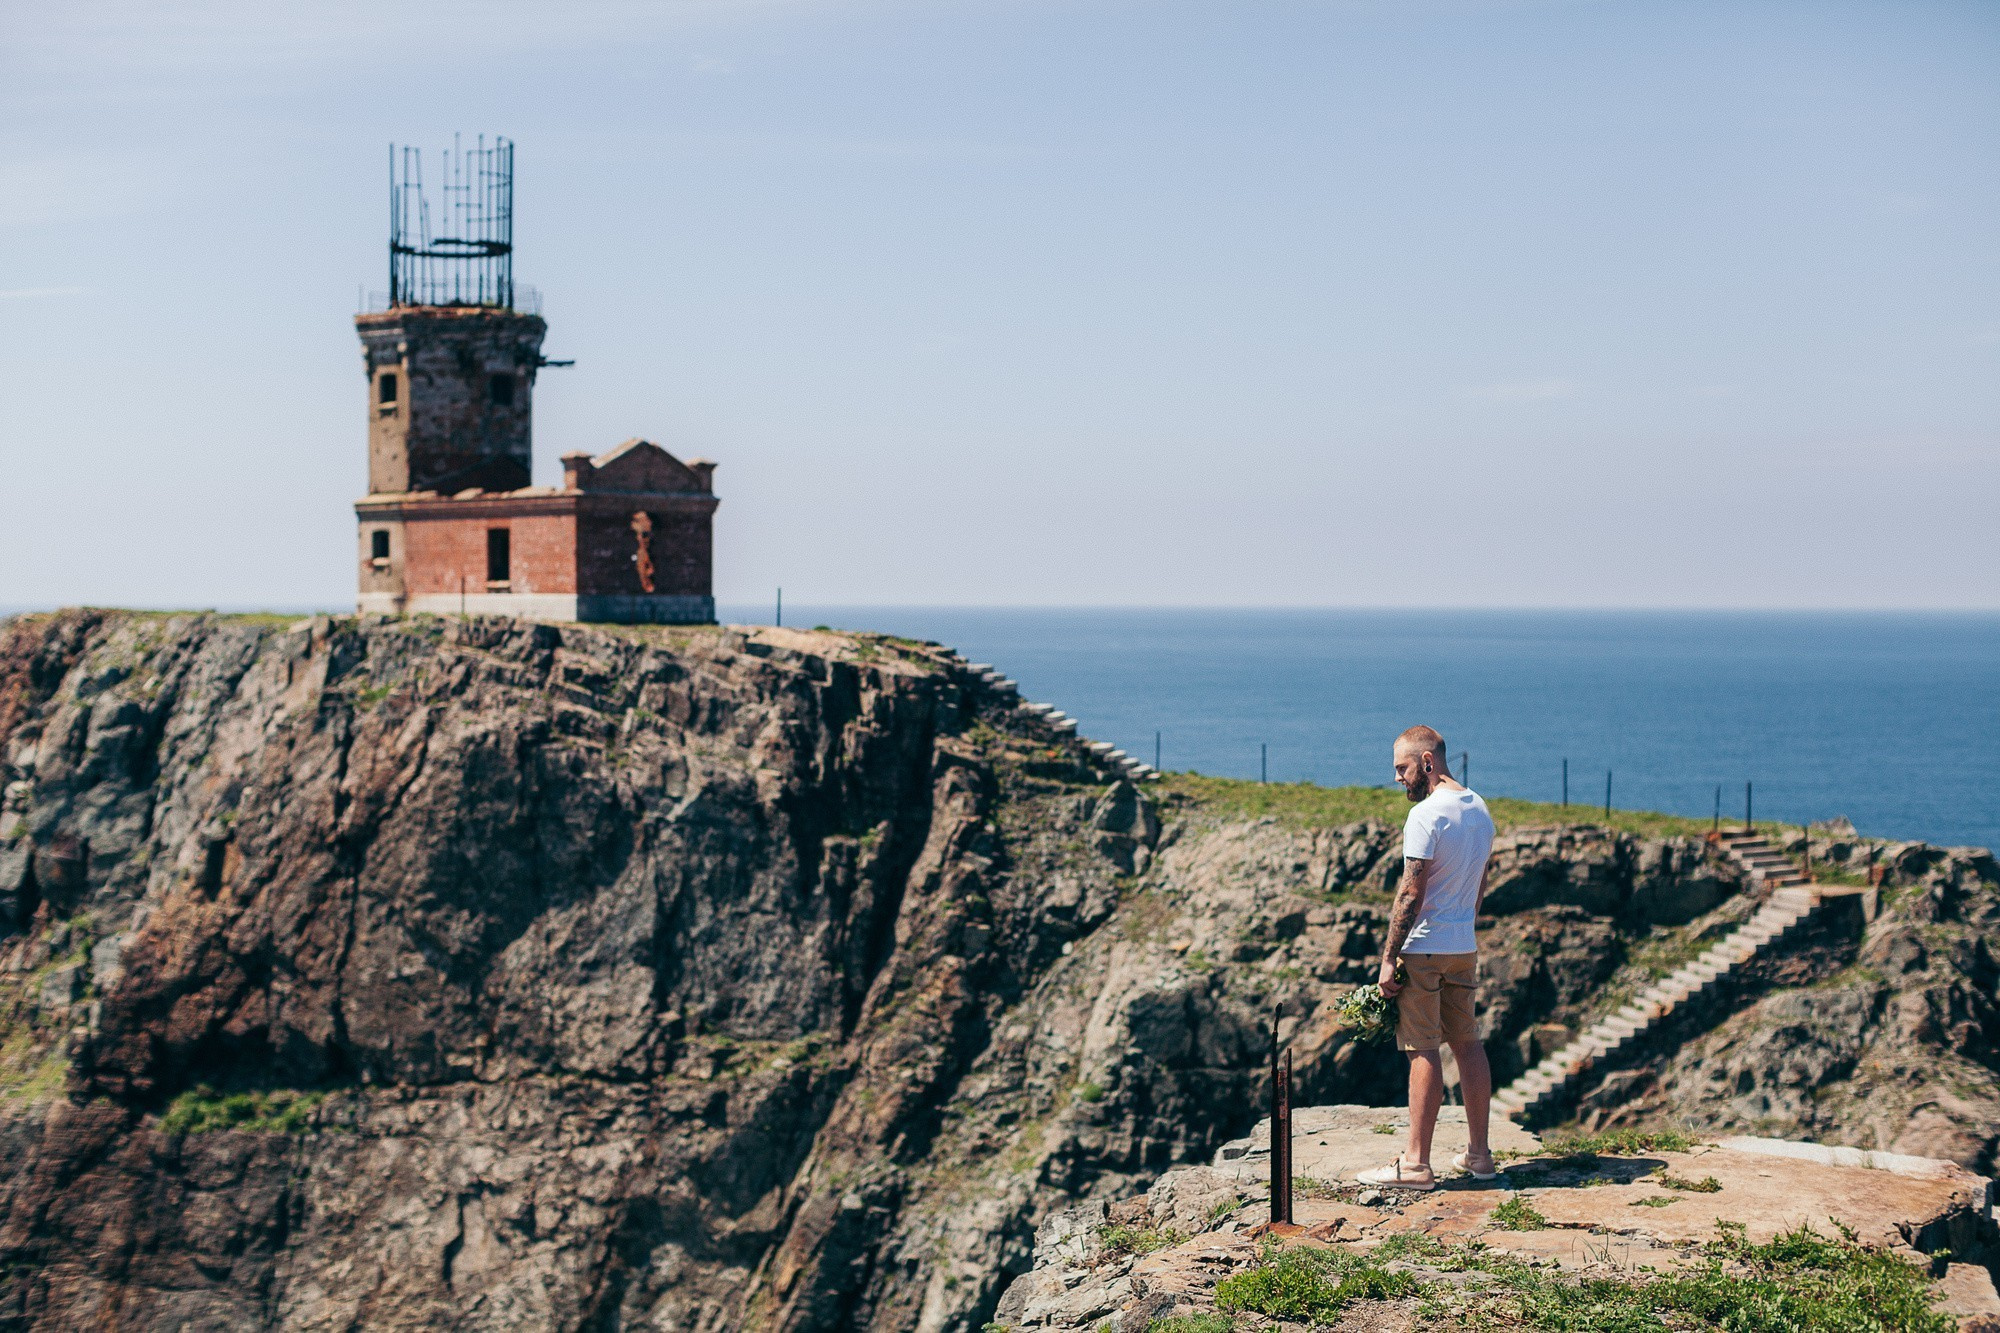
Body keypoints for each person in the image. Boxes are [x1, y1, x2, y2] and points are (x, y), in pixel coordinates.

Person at [1356, 725, 1497, 1190]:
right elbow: (1478, 889)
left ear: (1428, 762)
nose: (1398, 778)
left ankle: (1415, 1164)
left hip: (1425, 947)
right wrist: (1462, 926)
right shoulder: (1479, 809)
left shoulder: (1425, 815)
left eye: (1402, 767)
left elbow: (1410, 892)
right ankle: (1479, 1155)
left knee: (1422, 1048)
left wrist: (1388, 958)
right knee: (1467, 1044)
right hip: (1463, 946)